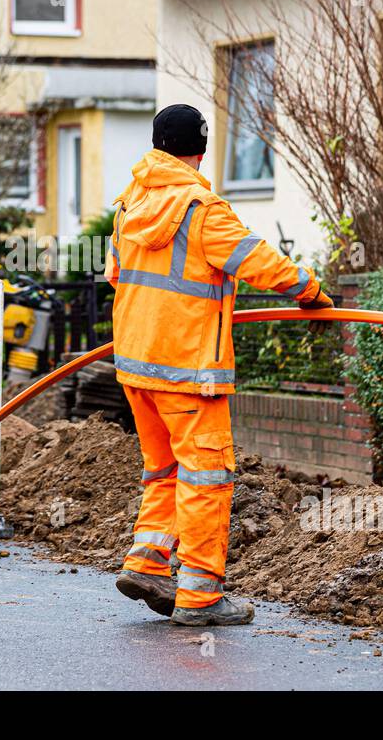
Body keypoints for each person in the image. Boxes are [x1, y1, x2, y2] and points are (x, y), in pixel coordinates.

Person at [107, 104, 335, 627]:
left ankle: (147, 565)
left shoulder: (128, 205)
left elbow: (116, 275)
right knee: (207, 479)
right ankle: (201, 598)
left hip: (136, 368)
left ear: (156, 146)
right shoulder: (202, 208)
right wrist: (310, 292)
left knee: (163, 472)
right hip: (189, 373)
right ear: (201, 151)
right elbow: (258, 261)